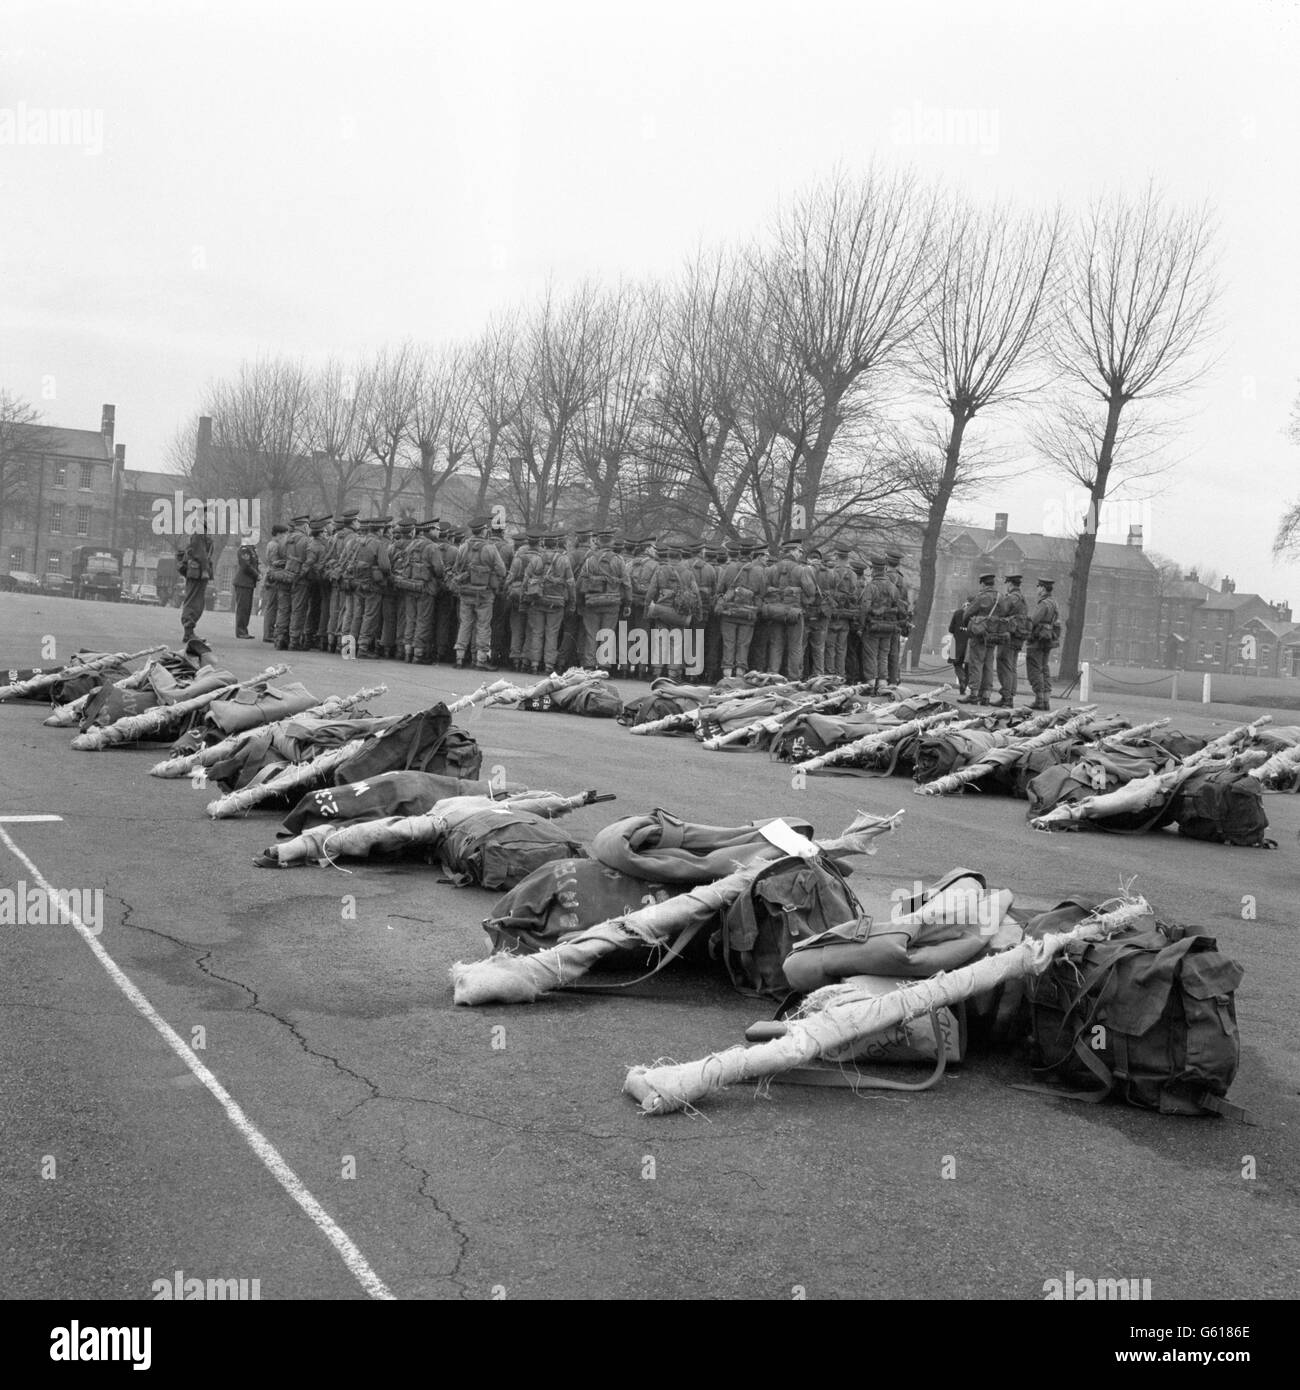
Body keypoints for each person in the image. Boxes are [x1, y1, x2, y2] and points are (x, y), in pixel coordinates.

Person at [453, 515, 507, 668]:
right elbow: (502, 571)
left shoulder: (463, 547)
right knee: (483, 625)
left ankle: (459, 657)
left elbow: (457, 568)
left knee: (465, 624)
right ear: (483, 531)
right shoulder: (490, 548)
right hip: (484, 593)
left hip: (465, 591)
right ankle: (481, 659)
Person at [764, 536, 817, 679]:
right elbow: (811, 592)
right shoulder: (802, 570)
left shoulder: (771, 569)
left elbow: (764, 589)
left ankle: (772, 675)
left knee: (776, 645)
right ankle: (794, 677)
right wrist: (799, 595)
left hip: (775, 612)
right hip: (794, 612)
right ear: (792, 551)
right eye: (799, 551)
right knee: (795, 646)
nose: (801, 554)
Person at [577, 527, 630, 668]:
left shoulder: (590, 560)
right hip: (612, 602)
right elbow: (626, 583)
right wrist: (627, 603)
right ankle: (603, 666)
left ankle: (589, 665)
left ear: (599, 541)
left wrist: (580, 602)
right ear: (612, 542)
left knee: (591, 634)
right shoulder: (619, 560)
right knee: (607, 634)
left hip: (592, 602)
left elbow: (580, 583)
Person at [522, 533, 575, 673]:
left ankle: (534, 664)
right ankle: (548, 666)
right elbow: (570, 583)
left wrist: (524, 598)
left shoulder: (536, 559)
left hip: (537, 601)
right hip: (556, 603)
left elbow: (525, 580)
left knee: (536, 633)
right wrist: (572, 601)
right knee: (552, 634)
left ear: (544, 544)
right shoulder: (564, 560)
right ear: (557, 544)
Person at [716, 538, 768, 678]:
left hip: (729, 612)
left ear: (739, 552)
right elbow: (762, 592)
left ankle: (727, 675)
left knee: (728, 643)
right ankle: (740, 674)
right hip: (748, 613)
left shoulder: (729, 568)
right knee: (743, 644)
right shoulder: (759, 571)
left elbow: (720, 588)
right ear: (752, 555)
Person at [958, 572, 999, 705]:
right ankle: (986, 696)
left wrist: (970, 625)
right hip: (993, 635)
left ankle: (974, 694)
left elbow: (967, 614)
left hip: (979, 634)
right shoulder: (1000, 597)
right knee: (988, 666)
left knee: (976, 664)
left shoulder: (981, 597)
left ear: (982, 583)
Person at [859, 556, 898, 694]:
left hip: (873, 627)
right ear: (885, 569)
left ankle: (870, 685)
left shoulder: (871, 586)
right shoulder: (893, 587)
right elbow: (897, 607)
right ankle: (882, 684)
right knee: (883, 656)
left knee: (871, 656)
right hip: (888, 627)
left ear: (873, 569)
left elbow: (865, 607)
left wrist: (861, 626)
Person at [992, 573, 1029, 707]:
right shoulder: (1022, 598)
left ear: (1010, 584)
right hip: (1018, 636)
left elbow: (1001, 611)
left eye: (1007, 584)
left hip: (1009, 636)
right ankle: (1009, 696)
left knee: (1004, 666)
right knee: (1012, 667)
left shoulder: (1012, 598)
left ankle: (1006, 697)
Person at [505, 529, 540, 671]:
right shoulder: (541, 558)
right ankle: (526, 659)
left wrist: (506, 589)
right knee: (531, 629)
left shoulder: (519, 557)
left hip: (517, 595)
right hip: (533, 596)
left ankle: (515, 658)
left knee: (516, 627)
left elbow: (510, 578)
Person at [823, 544, 859, 680]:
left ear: (837, 556)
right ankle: (840, 675)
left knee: (830, 647)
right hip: (846, 615)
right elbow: (855, 596)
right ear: (847, 557)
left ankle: (829, 675)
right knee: (842, 648)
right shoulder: (853, 574)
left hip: (833, 615)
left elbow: (827, 593)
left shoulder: (831, 572)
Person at [1026, 578, 1060, 711]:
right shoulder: (1054, 603)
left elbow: (1033, 621)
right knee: (1044, 669)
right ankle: (1046, 701)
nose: (1037, 589)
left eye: (1038, 587)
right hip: (1048, 640)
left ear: (1043, 588)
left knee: (1035, 669)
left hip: (1037, 640)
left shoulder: (1043, 604)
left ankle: (1039, 700)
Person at [178, 524, 214, 643]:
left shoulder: (201, 533)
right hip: (197, 572)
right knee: (193, 601)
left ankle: (189, 632)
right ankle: (188, 632)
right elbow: (200, 553)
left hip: (199, 572)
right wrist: (204, 569)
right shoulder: (198, 533)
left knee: (197, 602)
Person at [884, 548, 911, 684]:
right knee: (894, 652)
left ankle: (883, 679)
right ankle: (895, 679)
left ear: (886, 561)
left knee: (883, 652)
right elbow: (906, 602)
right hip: (898, 620)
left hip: (885, 619)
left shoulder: (885, 577)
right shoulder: (902, 580)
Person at [261, 523, 289, 642]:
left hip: (272, 576)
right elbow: (274, 562)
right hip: (273, 578)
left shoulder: (273, 544)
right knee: (272, 606)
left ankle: (269, 633)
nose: (284, 536)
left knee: (272, 606)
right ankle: (268, 634)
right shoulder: (274, 545)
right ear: (278, 534)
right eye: (283, 534)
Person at [232, 533, 260, 639]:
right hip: (243, 582)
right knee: (242, 608)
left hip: (248, 583)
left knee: (247, 608)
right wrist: (256, 575)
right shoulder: (244, 549)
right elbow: (245, 566)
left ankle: (244, 630)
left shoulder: (251, 549)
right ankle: (240, 631)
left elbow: (254, 564)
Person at [947, 595, 973, 694]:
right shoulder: (974, 613)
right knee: (967, 666)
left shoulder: (958, 613)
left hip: (956, 643)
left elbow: (951, 629)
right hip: (969, 644)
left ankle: (961, 679)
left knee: (956, 664)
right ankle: (963, 686)